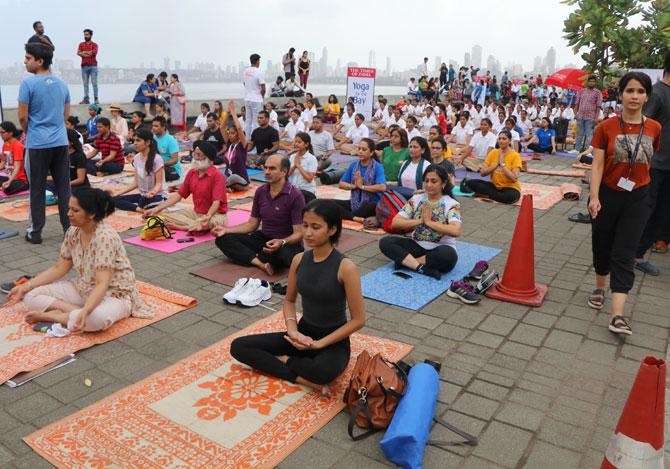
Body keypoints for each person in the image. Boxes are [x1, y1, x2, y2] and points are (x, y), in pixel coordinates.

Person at [230, 199, 365, 396]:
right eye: (306, 225)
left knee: (323, 372)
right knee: (239, 346)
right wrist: (293, 331)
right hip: (302, 334)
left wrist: (319, 344)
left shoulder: (346, 267)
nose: (308, 233)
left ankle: (286, 361)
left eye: (316, 227)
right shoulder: (299, 259)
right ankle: (302, 378)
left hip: (333, 341)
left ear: (332, 230)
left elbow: (359, 320)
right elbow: (289, 300)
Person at [6, 188, 152, 332]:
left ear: (91, 214)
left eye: (75, 211)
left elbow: (102, 283)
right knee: (31, 295)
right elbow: (59, 268)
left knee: (97, 319)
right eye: (69, 209)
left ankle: (58, 317)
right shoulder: (73, 231)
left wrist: (87, 310)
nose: (69, 214)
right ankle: (76, 314)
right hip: (84, 287)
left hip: (113, 294)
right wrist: (25, 286)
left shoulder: (104, 237)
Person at [587, 72, 661, 336]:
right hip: (607, 194)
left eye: (640, 91)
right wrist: (594, 197)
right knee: (602, 245)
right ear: (621, 95)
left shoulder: (654, 127)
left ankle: (617, 315)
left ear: (647, 96)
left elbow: (649, 160)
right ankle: (599, 285)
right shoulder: (605, 127)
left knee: (625, 252)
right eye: (630, 91)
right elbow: (596, 164)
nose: (634, 96)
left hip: (638, 196)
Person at [214, 154, 304, 275]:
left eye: (272, 168)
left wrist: (281, 242)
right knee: (223, 239)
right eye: (265, 168)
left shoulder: (295, 195)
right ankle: (260, 263)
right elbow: (252, 224)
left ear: (284, 172)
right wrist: (226, 230)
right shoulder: (260, 191)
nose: (267, 172)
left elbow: (299, 233)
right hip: (264, 239)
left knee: (280, 254)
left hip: (286, 244)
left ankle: (254, 257)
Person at [18, 43, 71, 244]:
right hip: (60, 142)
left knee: (37, 189)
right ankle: (69, 230)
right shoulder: (62, 84)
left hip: (38, 144)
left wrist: (31, 131)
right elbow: (65, 115)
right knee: (64, 188)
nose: (25, 61)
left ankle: (35, 232)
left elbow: (22, 118)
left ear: (39, 61)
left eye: (28, 57)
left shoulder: (28, 84)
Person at [379, 164, 461, 280]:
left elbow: (456, 231)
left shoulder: (452, 204)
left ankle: (407, 263)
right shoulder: (416, 199)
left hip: (439, 249)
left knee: (449, 255)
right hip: (417, 245)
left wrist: (429, 223)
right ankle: (419, 268)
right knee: (386, 242)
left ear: (443, 183)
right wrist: (420, 221)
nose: (429, 185)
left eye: (434, 181)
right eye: (426, 181)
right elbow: (395, 223)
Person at [635, 53, 670, 276]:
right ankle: (633, 255)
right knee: (646, 211)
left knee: (662, 214)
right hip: (654, 165)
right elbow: (642, 128)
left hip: (668, 167)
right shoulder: (657, 93)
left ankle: (638, 252)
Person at [145, 141, 228, 233]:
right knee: (161, 213)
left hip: (215, 215)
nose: (195, 158)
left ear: (209, 159)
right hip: (196, 213)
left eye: (199, 155)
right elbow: (179, 195)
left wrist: (207, 217)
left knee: (211, 223)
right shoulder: (192, 173)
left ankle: (184, 227)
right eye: (194, 155)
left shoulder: (217, 175)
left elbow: (216, 202)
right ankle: (195, 226)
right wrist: (157, 208)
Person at [112, 129, 168, 212]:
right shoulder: (137, 158)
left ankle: (140, 206)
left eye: (138, 140)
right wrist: (119, 193)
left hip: (157, 195)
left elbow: (159, 183)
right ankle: (138, 208)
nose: (135, 143)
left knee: (143, 201)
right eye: (134, 140)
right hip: (143, 195)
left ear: (148, 142)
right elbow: (136, 182)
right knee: (114, 199)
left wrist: (153, 192)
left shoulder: (157, 159)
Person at [461, 130, 522, 204]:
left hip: (510, 188)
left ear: (509, 141)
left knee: (510, 196)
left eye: (504, 139)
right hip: (495, 186)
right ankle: (491, 195)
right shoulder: (493, 153)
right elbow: (482, 173)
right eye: (499, 139)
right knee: (470, 183)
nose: (501, 141)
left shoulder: (515, 156)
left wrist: (502, 165)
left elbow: (514, 178)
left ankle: (487, 195)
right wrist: (495, 165)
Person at [335, 138, 386, 222]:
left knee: (369, 207)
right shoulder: (354, 165)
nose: (360, 151)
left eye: (364, 149)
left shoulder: (377, 167)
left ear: (372, 152)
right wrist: (354, 186)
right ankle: (354, 217)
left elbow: (382, 187)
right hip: (355, 202)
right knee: (326, 204)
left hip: (372, 203)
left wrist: (362, 186)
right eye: (359, 149)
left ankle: (350, 215)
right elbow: (341, 184)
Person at [221, 101, 251, 191]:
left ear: (238, 135)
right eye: (229, 133)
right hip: (228, 177)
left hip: (241, 181)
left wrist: (233, 112)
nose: (230, 135)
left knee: (233, 177)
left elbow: (239, 128)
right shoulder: (229, 144)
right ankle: (227, 187)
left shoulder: (243, 145)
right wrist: (228, 111)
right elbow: (222, 127)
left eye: (232, 133)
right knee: (218, 175)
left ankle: (224, 187)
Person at [575, 75, 603, 152]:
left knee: (589, 135)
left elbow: (598, 106)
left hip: (590, 117)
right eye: (590, 81)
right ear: (587, 82)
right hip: (580, 116)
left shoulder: (598, 93)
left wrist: (596, 118)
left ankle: (588, 151)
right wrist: (575, 114)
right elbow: (577, 103)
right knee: (579, 134)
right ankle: (577, 149)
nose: (591, 83)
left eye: (593, 81)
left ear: (595, 83)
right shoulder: (581, 91)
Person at [0, 122, 29, 195]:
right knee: (5, 185)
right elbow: (3, 164)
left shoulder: (17, 146)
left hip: (21, 180)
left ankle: (25, 186)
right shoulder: (5, 145)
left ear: (11, 133)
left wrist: (9, 181)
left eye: (2, 132)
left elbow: (17, 167)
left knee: (7, 189)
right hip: (10, 177)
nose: (1, 135)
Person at [288, 132, 318, 203]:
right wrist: (294, 166)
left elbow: (309, 179)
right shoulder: (292, 157)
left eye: (299, 142)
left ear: (306, 144)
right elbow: (287, 175)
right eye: (295, 142)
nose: (296, 144)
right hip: (295, 189)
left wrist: (298, 166)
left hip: (307, 191)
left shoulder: (311, 158)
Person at [151, 116, 181, 182]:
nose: (153, 128)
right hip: (158, 166)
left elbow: (175, 159)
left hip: (172, 169)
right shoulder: (152, 138)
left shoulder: (171, 140)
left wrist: (160, 164)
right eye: (152, 126)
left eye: (156, 126)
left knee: (154, 174)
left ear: (163, 127)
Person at [243, 53, 266, 138]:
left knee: (248, 120)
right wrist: (262, 96)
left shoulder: (245, 71)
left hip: (247, 98)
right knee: (257, 121)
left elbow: (244, 83)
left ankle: (248, 139)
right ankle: (256, 140)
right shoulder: (259, 72)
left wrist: (249, 90)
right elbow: (263, 88)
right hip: (256, 99)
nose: (259, 63)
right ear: (257, 61)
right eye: (259, 61)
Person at [77, 28, 98, 104]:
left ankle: (96, 99)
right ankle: (86, 99)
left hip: (93, 66)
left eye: (87, 35)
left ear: (91, 35)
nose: (85, 36)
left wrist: (84, 53)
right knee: (85, 84)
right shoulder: (81, 44)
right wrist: (87, 53)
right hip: (84, 67)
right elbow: (78, 53)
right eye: (84, 35)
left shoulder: (95, 45)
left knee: (94, 83)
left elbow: (93, 53)